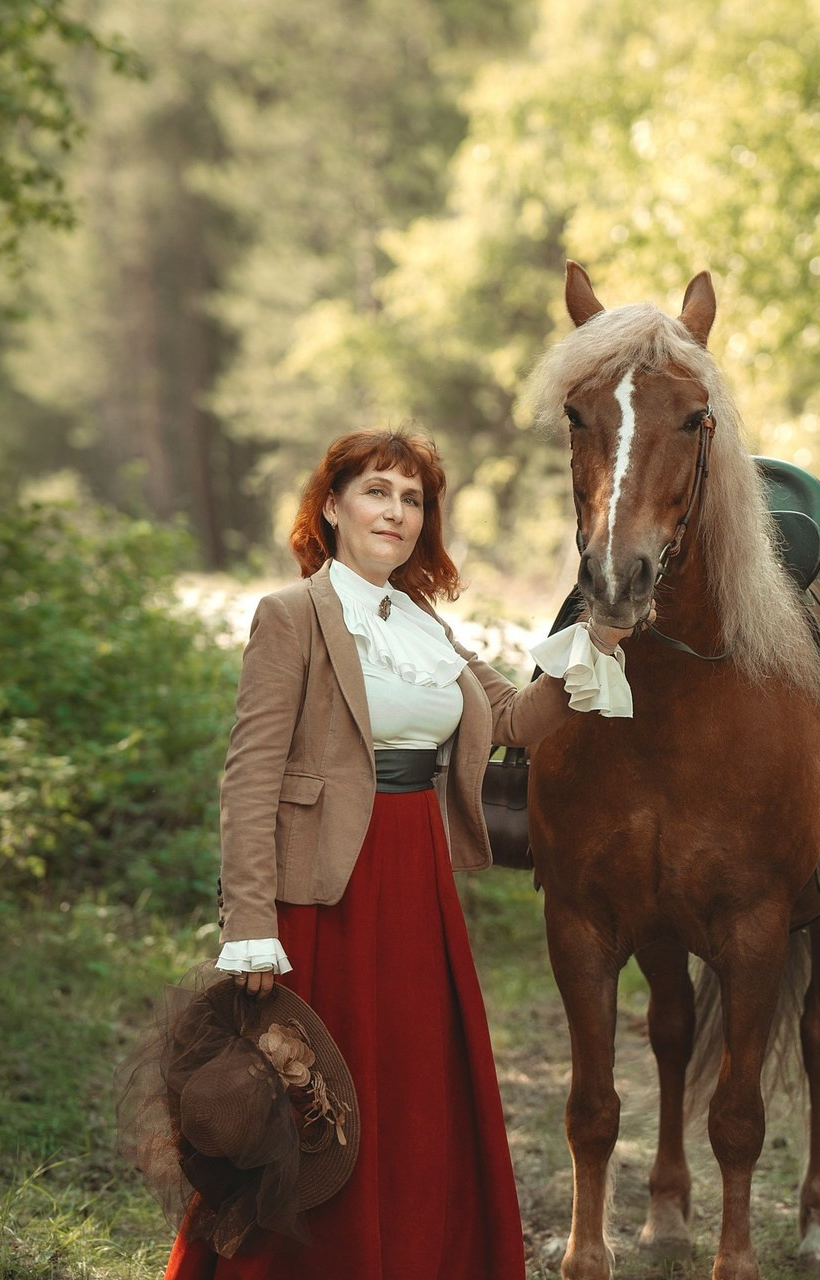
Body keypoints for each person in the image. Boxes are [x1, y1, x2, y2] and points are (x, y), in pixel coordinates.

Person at [161, 428, 636, 1280]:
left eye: (413, 498)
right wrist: (250, 922)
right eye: (378, 491)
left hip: (416, 883)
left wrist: (593, 646)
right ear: (332, 506)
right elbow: (250, 778)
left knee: (414, 1097)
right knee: (304, 1100)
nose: (397, 511)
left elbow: (513, 723)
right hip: (324, 893)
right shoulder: (292, 615)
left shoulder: (425, 626)